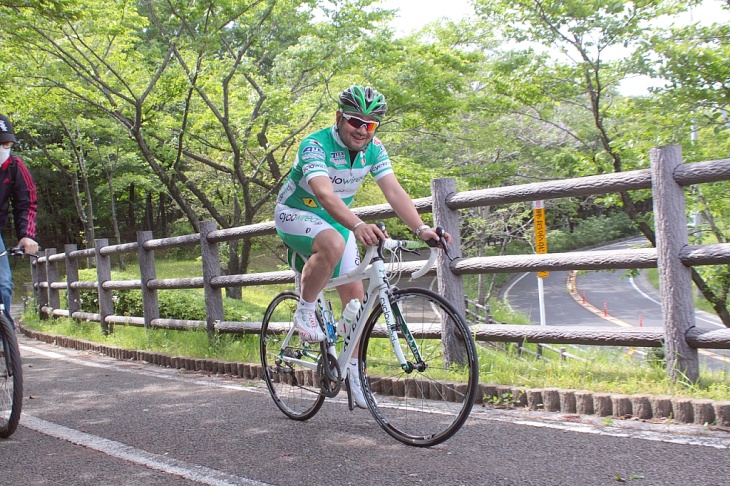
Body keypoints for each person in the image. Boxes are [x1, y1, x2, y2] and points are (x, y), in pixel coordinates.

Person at [274, 85, 450, 408]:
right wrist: (357, 225)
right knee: (333, 242)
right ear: (339, 117)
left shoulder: (375, 149)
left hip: (336, 220)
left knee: (355, 298)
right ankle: (305, 311)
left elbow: (394, 192)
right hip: (297, 212)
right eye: (356, 121)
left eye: (370, 125)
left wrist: (422, 229)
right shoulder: (315, 145)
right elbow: (325, 195)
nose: (362, 130)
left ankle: (353, 373)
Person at [0, 113, 38, 327]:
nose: (3, 148)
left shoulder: (14, 166)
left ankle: (5, 340)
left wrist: (26, 236)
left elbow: (27, 202)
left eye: (6, 143)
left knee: (3, 285)